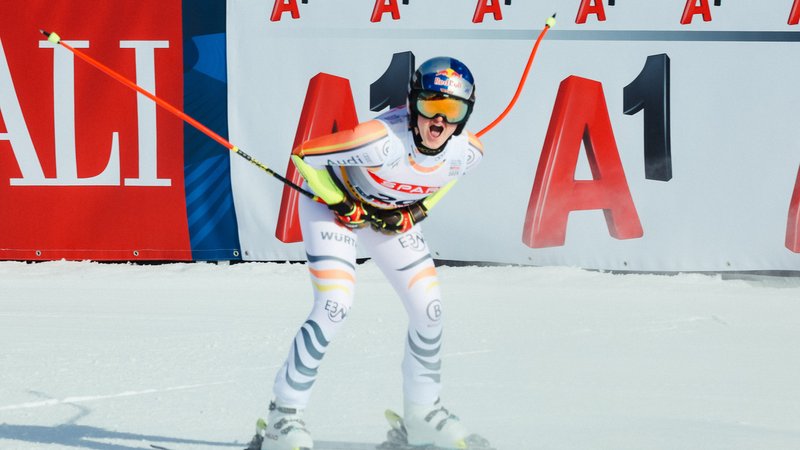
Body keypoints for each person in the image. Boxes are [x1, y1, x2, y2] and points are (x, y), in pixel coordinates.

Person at [262, 56, 484, 450]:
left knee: (429, 308)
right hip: (330, 206)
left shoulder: (465, 151)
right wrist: (340, 200)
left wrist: (416, 211)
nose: (438, 122)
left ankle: (423, 414)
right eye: (430, 106)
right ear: (413, 102)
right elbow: (304, 155)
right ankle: (284, 417)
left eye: (452, 111)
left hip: (384, 215)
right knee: (335, 304)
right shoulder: (381, 140)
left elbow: (451, 176)